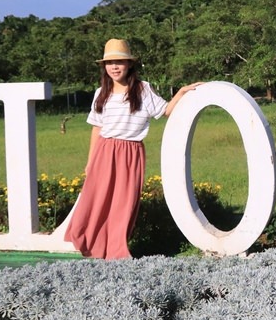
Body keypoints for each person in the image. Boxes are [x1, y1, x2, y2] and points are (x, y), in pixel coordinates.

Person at [65, 39, 202, 259]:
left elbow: (165, 111)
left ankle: (117, 250)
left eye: (119, 62)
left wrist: (182, 92)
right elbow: (97, 128)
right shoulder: (101, 92)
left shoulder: (142, 89)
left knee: (124, 202)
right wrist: (90, 161)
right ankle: (93, 245)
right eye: (110, 63)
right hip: (105, 151)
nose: (114, 67)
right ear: (104, 67)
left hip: (131, 152)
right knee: (97, 199)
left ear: (129, 64)